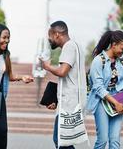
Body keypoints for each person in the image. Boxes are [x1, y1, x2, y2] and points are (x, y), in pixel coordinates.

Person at [40, 21, 87, 149]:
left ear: (56, 34)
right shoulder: (76, 46)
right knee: (64, 141)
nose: (49, 40)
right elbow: (69, 78)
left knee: (61, 141)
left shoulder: (69, 46)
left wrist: (47, 66)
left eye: (50, 36)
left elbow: (62, 72)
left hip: (70, 104)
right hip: (71, 101)